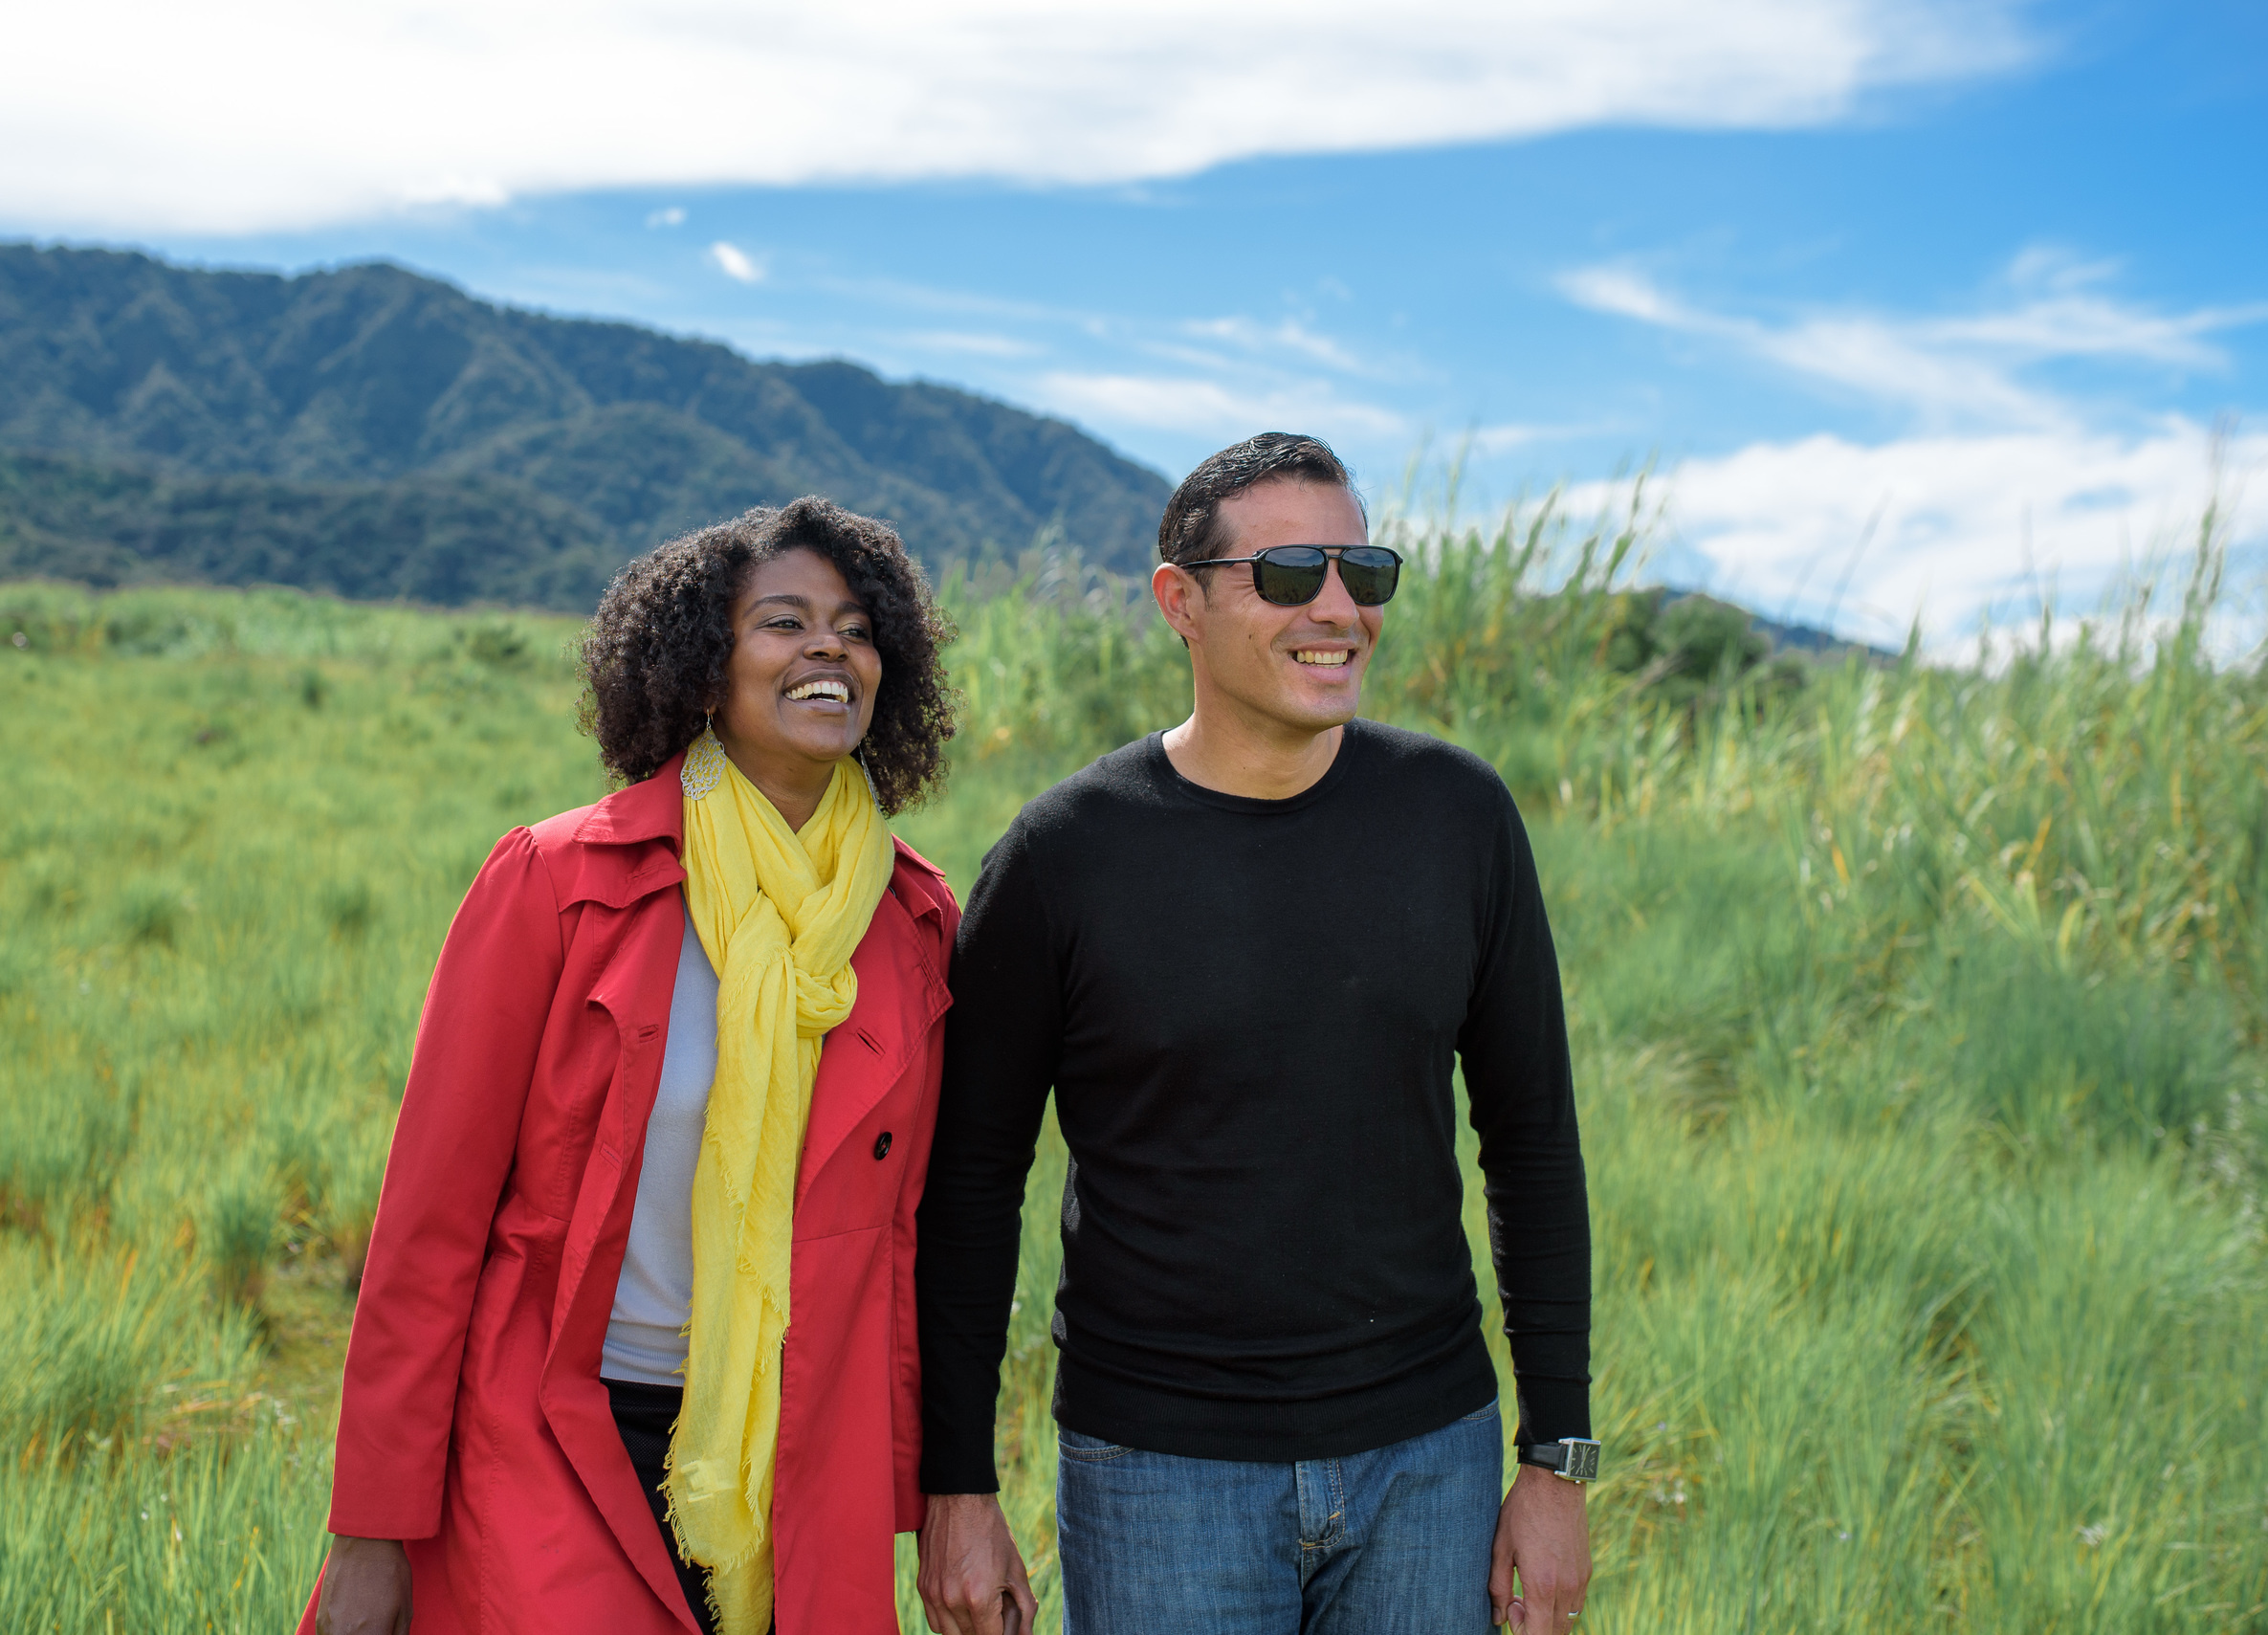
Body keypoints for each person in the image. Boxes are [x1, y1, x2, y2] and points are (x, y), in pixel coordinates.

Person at [913, 432, 1596, 1635]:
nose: (1336, 607)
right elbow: (969, 1188)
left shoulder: (1460, 817)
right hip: (1158, 1472)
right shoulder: (1063, 857)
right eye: (1288, 573)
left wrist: (1556, 1458)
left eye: (1362, 571)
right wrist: (957, 1485)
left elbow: (1531, 1140)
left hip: (1430, 1458)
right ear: (1180, 600)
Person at [304, 497, 961, 1635]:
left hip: (800, 1453)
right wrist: (373, 1529)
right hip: (557, 1431)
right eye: (784, 622)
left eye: (855, 628)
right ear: (704, 670)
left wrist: (942, 1496)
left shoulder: (911, 919)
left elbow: (917, 1236)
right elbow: (430, 1225)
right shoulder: (560, 881)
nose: (827, 650)